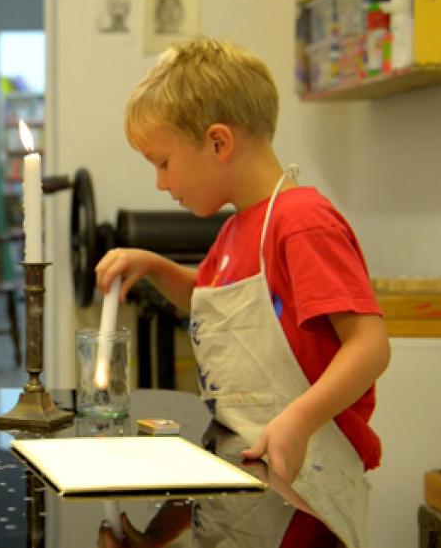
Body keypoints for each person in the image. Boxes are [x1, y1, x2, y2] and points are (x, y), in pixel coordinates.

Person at [95, 37, 389, 548]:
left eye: (162, 162)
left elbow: (369, 345)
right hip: (252, 475)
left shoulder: (301, 223)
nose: (161, 183)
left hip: (305, 483)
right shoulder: (235, 231)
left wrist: (297, 420)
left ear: (217, 142)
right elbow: (207, 298)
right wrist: (154, 265)